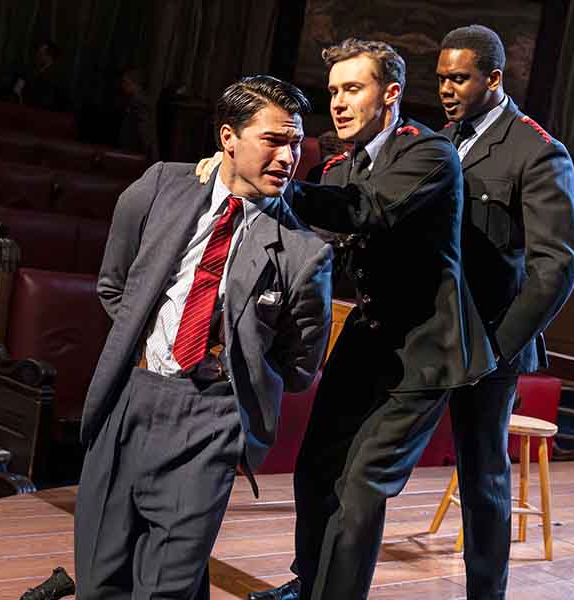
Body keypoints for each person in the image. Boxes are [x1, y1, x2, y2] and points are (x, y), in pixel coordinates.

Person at [214, 38, 496, 600]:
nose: (337, 103)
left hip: (427, 350)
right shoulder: (342, 164)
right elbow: (312, 233)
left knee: (362, 483)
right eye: (333, 91)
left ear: (390, 94)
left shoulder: (428, 154)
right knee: (315, 468)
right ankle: (309, 583)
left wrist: (269, 178)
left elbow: (364, 211)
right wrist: (233, 182)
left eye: (352, 89)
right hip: (368, 340)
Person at [74, 75, 334, 600]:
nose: (288, 157)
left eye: (295, 143)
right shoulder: (159, 188)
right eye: (274, 140)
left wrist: (235, 373)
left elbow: (300, 364)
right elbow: (114, 285)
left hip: (212, 418)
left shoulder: (306, 255)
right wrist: (148, 343)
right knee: (99, 584)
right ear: (227, 138)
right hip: (132, 398)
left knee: (163, 589)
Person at [437, 25, 574, 599]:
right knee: (364, 458)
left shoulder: (536, 149)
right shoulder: (440, 140)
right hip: (430, 331)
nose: (446, 89)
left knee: (483, 478)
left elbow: (559, 265)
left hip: (489, 340)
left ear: (493, 79)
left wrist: (498, 347)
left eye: (459, 78)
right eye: (442, 77)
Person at [13, 40, 70, 111]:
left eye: (41, 54)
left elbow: (49, 99)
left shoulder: (56, 75)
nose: (37, 56)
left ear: (49, 56)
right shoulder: (32, 70)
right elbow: (17, 90)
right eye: (38, 53)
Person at [117, 67, 159, 161]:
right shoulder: (137, 100)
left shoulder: (139, 102)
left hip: (137, 151)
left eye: (125, 82)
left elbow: (143, 129)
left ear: (134, 84)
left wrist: (146, 151)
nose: (122, 85)